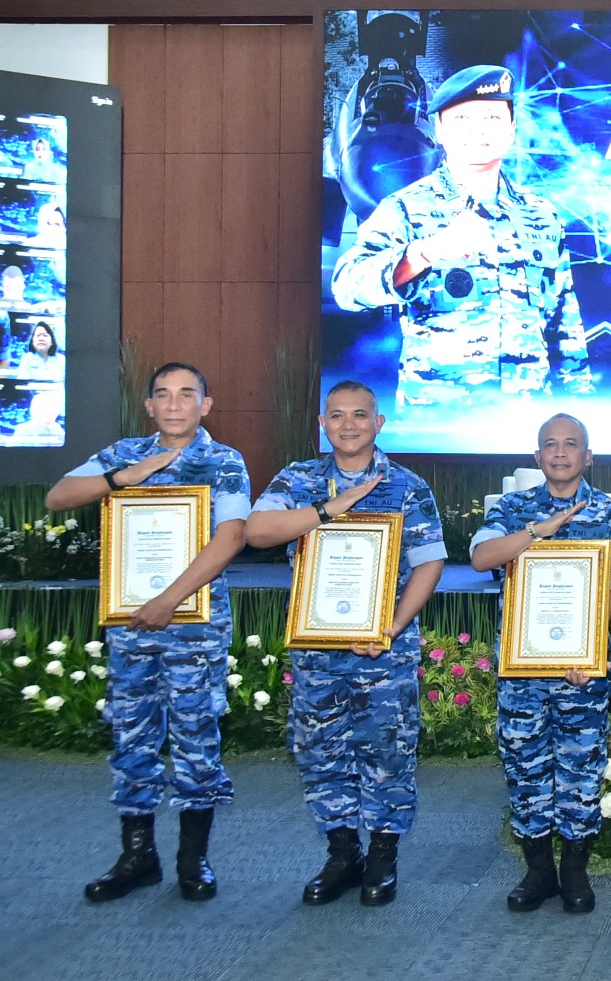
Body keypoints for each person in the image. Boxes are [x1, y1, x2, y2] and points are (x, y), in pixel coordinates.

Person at [43, 363, 251, 904]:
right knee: (132, 737)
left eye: (188, 394)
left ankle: (192, 858)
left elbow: (230, 538)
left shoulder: (223, 461)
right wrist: (119, 481)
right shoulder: (123, 454)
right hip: (132, 625)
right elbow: (58, 496)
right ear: (150, 405)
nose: (175, 404)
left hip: (194, 627)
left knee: (195, 739)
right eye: (164, 394)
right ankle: (138, 857)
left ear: (206, 405)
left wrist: (169, 600)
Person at [243, 380, 445, 907]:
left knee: (387, 749)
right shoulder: (299, 478)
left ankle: (382, 855)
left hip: (384, 650)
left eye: (360, 414)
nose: (349, 424)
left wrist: (391, 628)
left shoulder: (407, 486)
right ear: (323, 425)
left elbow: (429, 564)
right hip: (318, 651)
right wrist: (328, 511)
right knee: (319, 750)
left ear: (379, 423)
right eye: (337, 415)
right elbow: (258, 532)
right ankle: (341, 852)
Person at [330, 64, 590, 417]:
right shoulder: (406, 208)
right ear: (439, 130)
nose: (478, 131)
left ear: (512, 128)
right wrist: (424, 253)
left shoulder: (542, 215)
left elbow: (565, 327)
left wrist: (579, 418)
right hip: (439, 427)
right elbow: (347, 287)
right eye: (463, 119)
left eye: (491, 118)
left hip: (530, 422)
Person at [469, 413, 611, 915]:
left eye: (571, 444)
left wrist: (590, 650)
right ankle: (538, 869)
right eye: (550, 445)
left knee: (581, 764)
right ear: (537, 457)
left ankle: (575, 869)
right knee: (525, 764)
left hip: (580, 668)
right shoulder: (513, 507)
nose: (560, 453)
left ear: (589, 455)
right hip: (521, 670)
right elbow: (481, 558)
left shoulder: (609, 511)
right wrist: (540, 530)